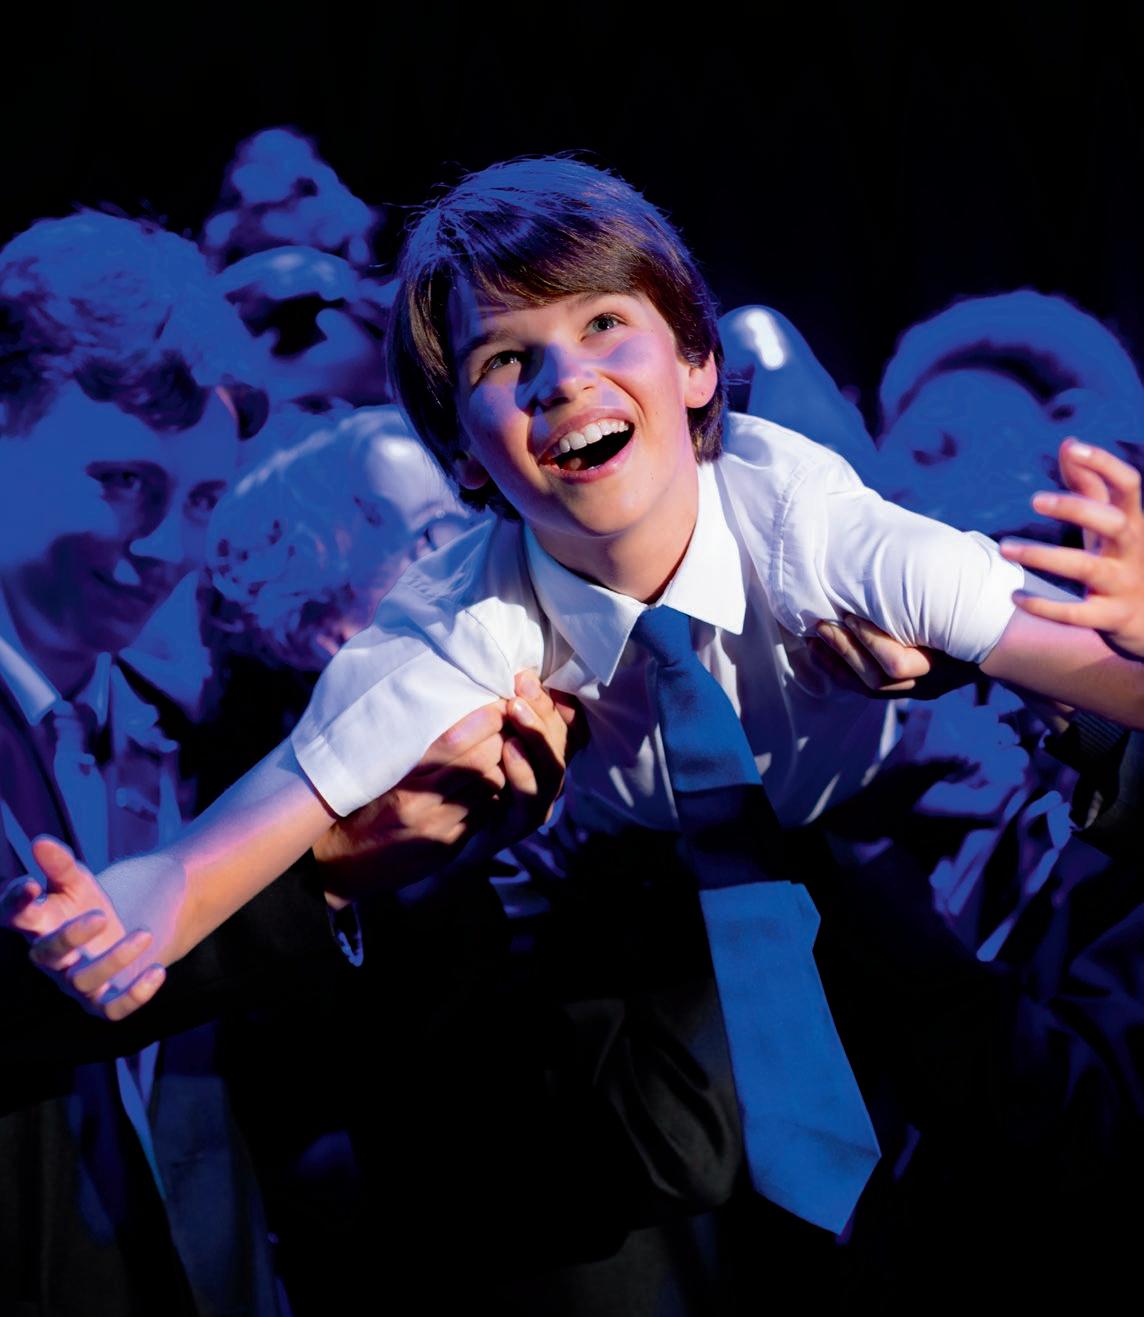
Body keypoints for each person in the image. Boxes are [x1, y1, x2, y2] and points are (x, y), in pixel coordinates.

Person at [10, 158, 1144, 1244]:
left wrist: (1113, 649)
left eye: (604, 323)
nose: (563, 376)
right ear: (464, 453)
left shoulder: (828, 533)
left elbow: (1071, 669)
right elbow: (295, 790)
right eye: (506, 357)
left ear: (696, 366)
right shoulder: (462, 621)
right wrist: (157, 896)